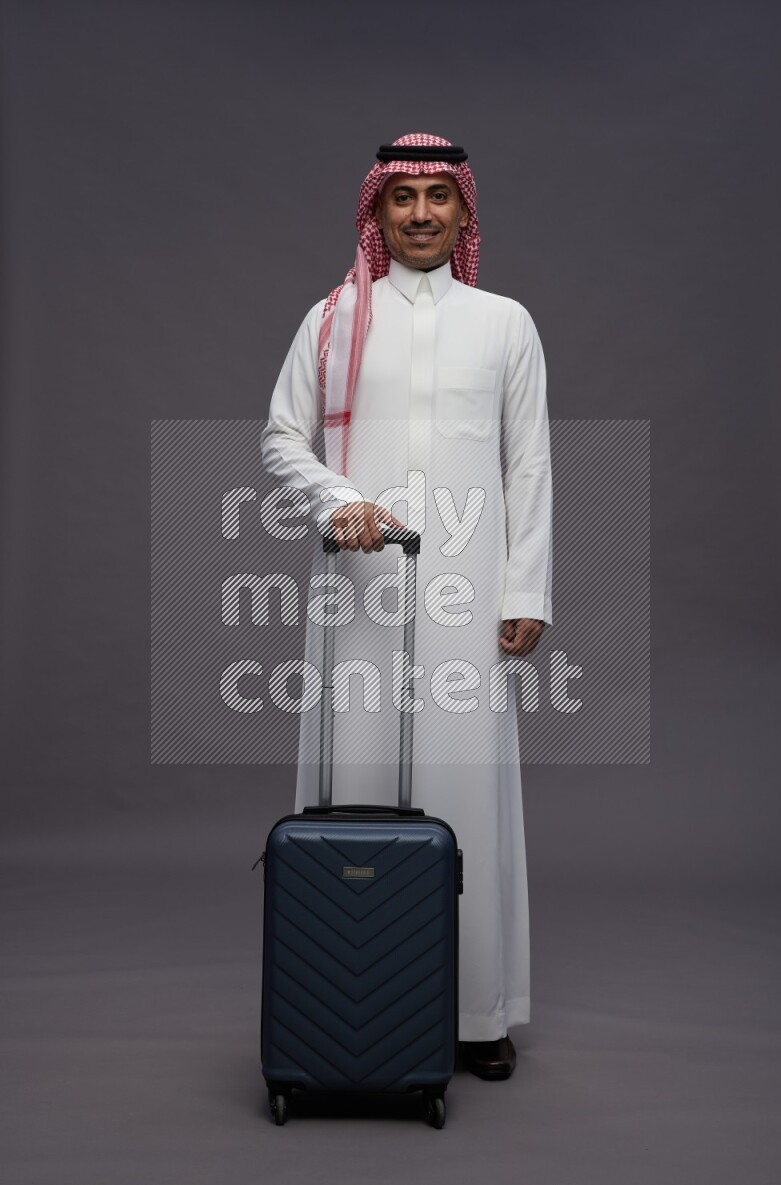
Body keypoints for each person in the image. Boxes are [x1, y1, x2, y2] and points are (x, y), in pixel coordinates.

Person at [260, 132, 553, 1081]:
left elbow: (529, 464)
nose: (421, 213)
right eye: (403, 198)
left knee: (466, 791)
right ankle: (348, 997)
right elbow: (280, 438)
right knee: (360, 782)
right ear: (376, 213)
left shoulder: (505, 322)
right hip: (360, 591)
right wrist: (336, 499)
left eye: (439, 197)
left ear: (465, 212)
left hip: (470, 592)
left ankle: (474, 1013)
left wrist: (525, 589)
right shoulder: (335, 320)